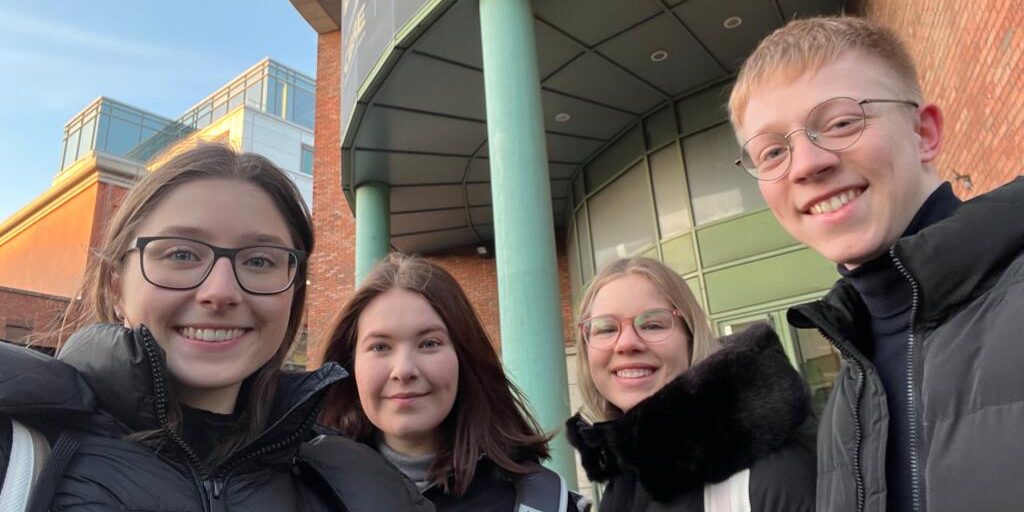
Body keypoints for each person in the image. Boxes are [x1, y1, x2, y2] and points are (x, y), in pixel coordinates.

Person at [0, 144, 433, 512]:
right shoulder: (18, 443)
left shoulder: (362, 485)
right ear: (116, 286)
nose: (220, 291)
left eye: (260, 260)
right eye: (182, 255)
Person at [729, 16, 1024, 512]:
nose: (806, 165)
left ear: (924, 132)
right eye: (773, 151)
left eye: (842, 122)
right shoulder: (849, 393)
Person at [320, 254, 589, 512]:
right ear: (349, 364)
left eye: (429, 343)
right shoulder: (307, 493)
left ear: (465, 356)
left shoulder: (544, 502)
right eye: (380, 347)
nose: (403, 370)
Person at [564, 257, 815, 511]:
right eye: (606, 329)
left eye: (652, 324)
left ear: (691, 337)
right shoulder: (626, 474)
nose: (626, 343)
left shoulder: (769, 477)